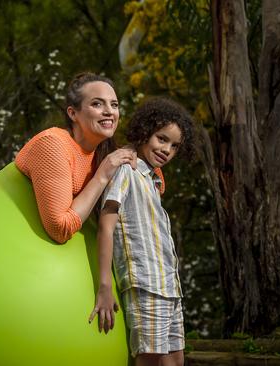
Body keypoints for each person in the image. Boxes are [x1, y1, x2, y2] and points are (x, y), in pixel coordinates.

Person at [89, 97, 194, 366]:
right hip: (145, 283)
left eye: (174, 146)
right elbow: (106, 225)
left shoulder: (152, 179)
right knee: (149, 359)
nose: (167, 149)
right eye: (162, 139)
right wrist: (104, 285)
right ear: (145, 131)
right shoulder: (127, 169)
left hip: (170, 286)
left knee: (175, 361)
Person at [15, 72, 153, 244]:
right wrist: (102, 176)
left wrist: (133, 153)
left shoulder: (102, 151)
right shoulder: (52, 144)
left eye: (114, 105)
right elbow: (59, 229)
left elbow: (156, 185)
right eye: (97, 104)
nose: (109, 112)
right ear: (73, 114)